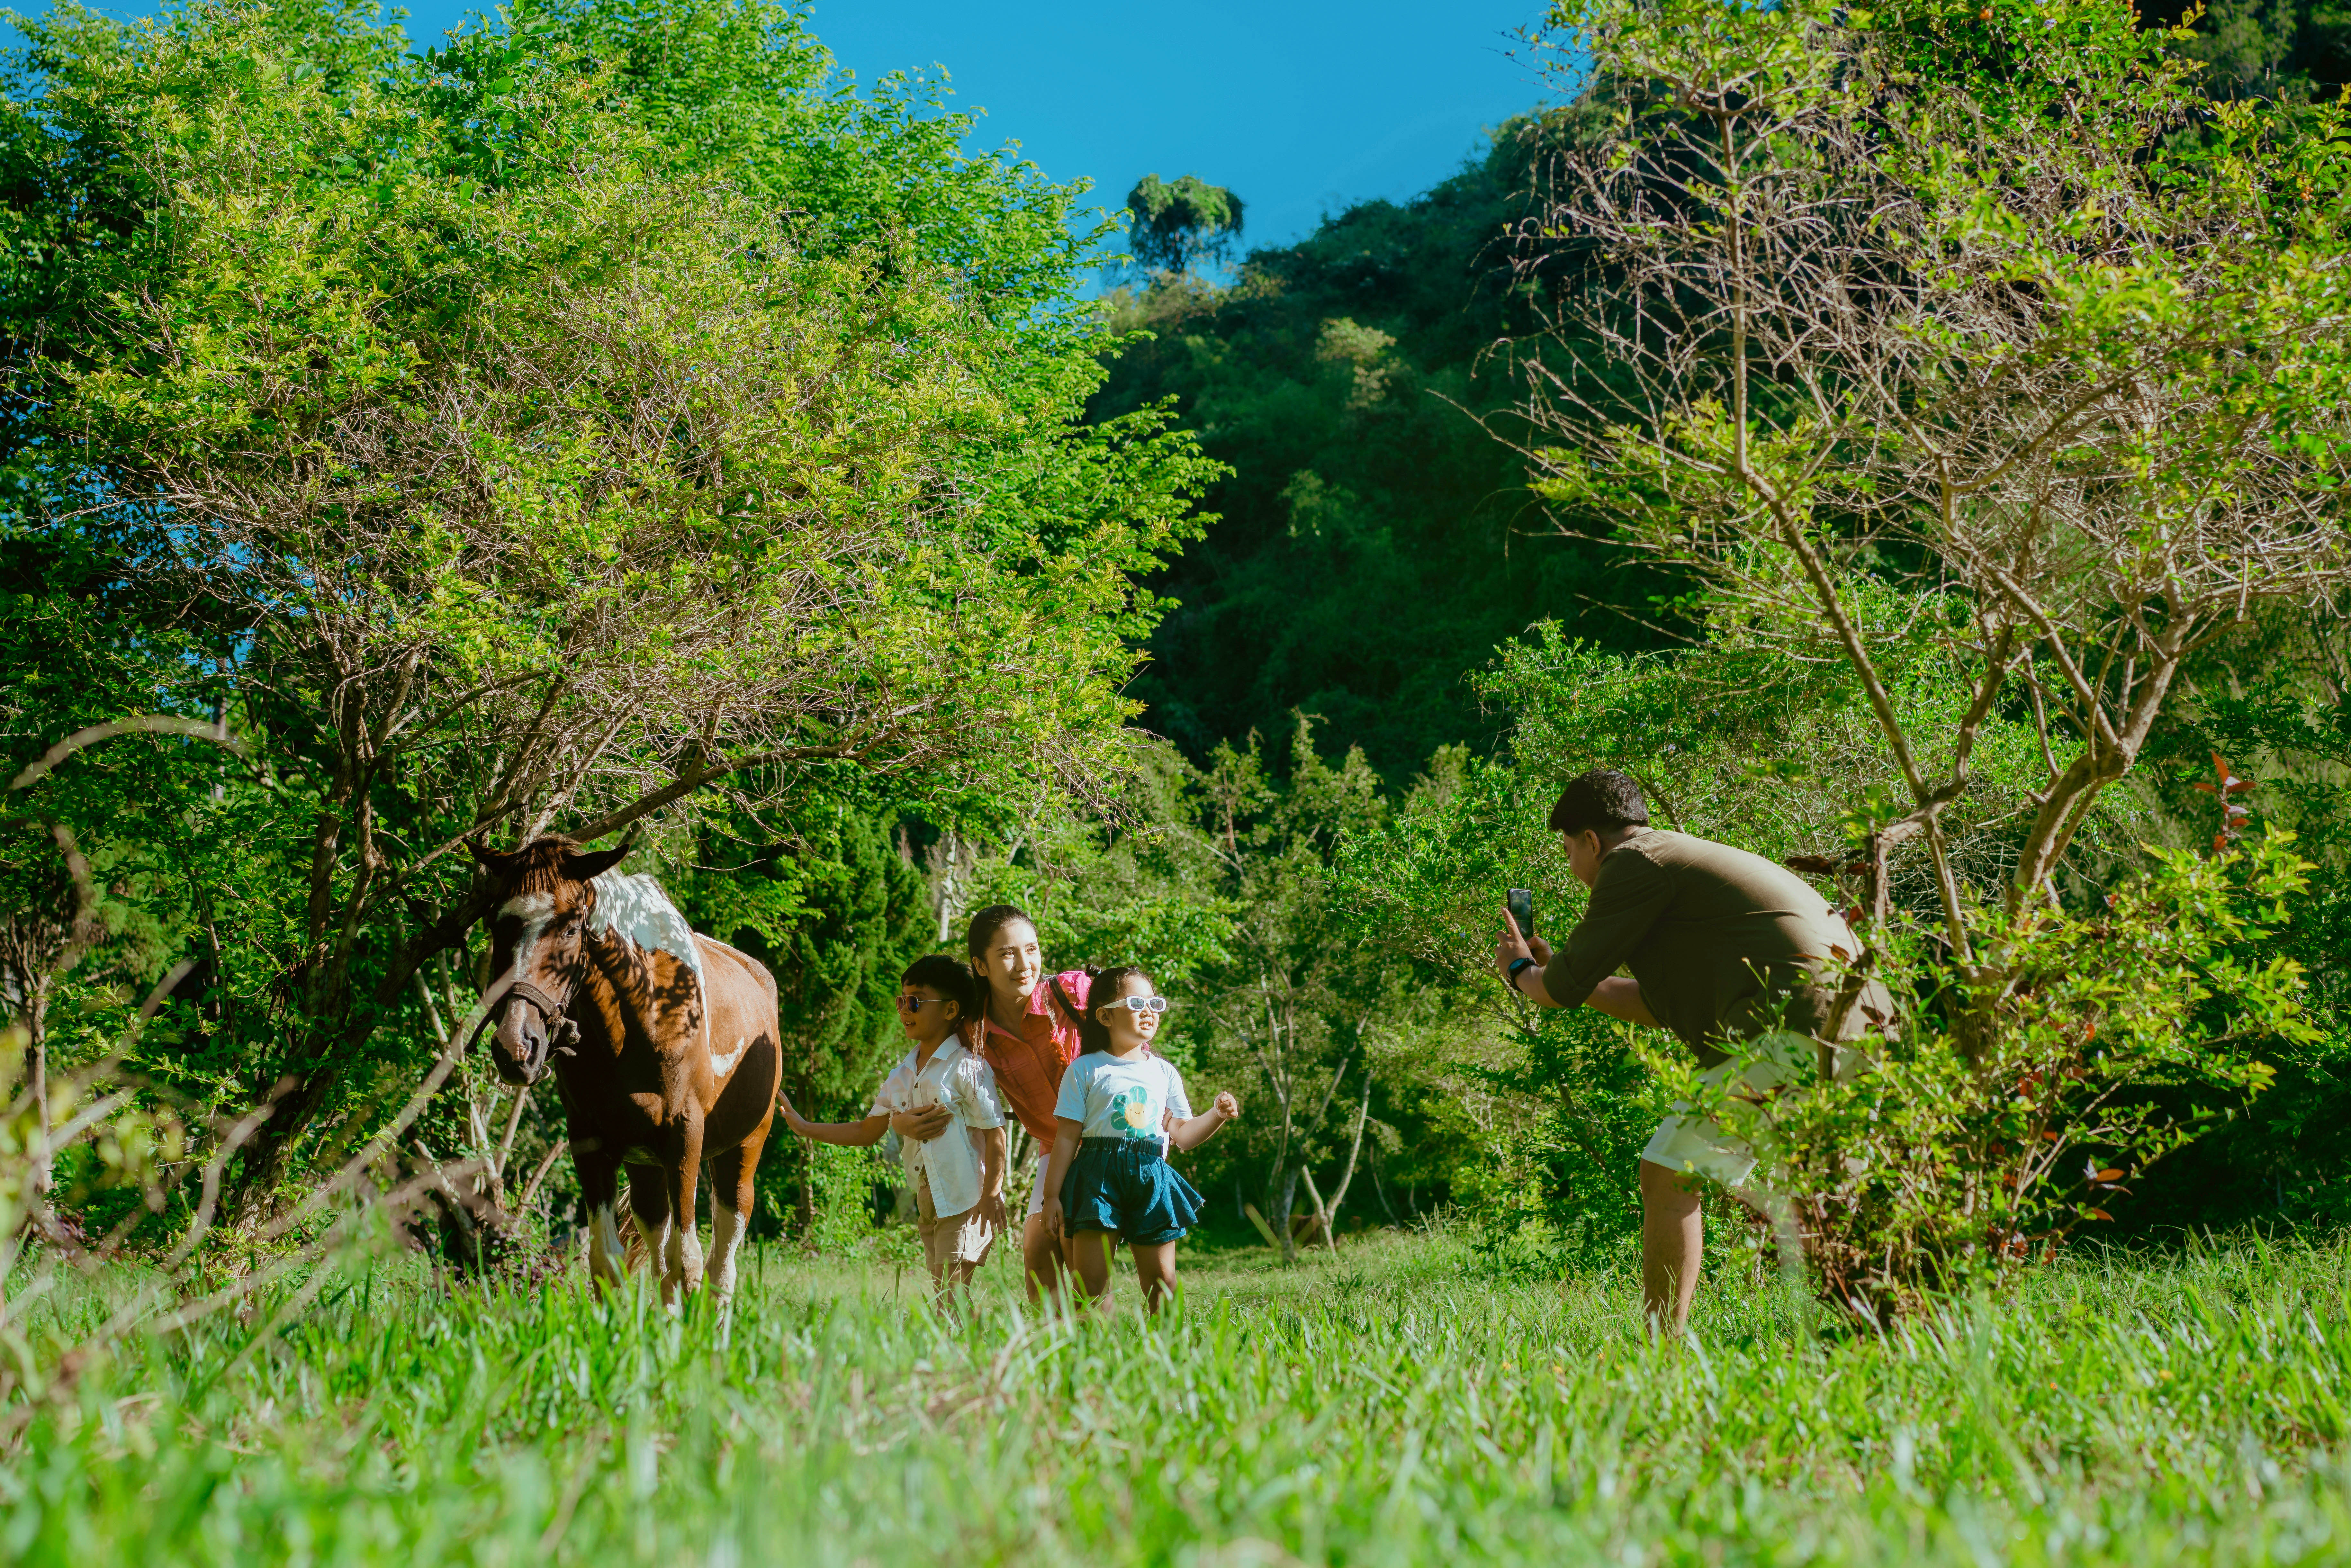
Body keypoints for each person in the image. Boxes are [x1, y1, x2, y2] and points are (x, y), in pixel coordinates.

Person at [1491, 768, 1885, 1337]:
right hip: (1859, 1021)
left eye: (1567, 847)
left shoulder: (1630, 865)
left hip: (1795, 1023)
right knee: (1821, 1195)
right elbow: (1653, 1003)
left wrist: (1520, 970)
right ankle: (1880, 1328)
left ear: (1592, 841)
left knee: (1669, 1170)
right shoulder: (1670, 861)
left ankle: (1660, 1348)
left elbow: (1559, 992)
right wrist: (1552, 974)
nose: (1571, 863)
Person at [890, 905, 1094, 1303]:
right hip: (1058, 1148)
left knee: (1078, 1245)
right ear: (980, 966)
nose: (1024, 964)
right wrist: (901, 1124)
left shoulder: (1072, 993)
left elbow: (1138, 1025)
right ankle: (1058, 1351)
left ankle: (1106, 1349)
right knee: (1037, 1253)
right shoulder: (972, 1030)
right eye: (1007, 954)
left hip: (1110, 1137)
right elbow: (933, 1082)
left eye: (1032, 949)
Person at [781, 955, 1007, 1304]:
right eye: (901, 1000)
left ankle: (964, 1357)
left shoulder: (967, 1068)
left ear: (951, 1010)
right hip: (930, 1201)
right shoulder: (900, 1075)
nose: (904, 1010)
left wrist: (992, 1194)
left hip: (967, 1200)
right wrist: (805, 1127)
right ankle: (974, 1356)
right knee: (948, 1297)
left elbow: (996, 1134)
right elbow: (866, 1131)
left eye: (914, 1001)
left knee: (949, 1297)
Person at [1039, 965, 1238, 1313]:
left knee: (1163, 1282)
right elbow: (1067, 1139)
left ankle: (1166, 1354)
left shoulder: (1163, 1072)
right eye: (1136, 1002)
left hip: (1152, 1177)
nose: (1149, 1011)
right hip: (1096, 1179)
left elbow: (1184, 1135)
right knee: (1090, 1286)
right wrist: (1052, 1196)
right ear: (1104, 1016)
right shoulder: (1085, 1070)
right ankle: (1095, 1358)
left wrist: (1217, 1115)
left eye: (1155, 1003)